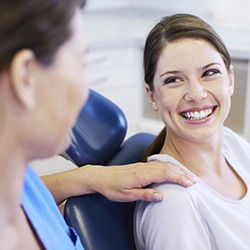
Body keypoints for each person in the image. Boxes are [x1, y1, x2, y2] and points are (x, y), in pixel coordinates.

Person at [0, 1, 197, 249]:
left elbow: (30, 193)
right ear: (25, 77)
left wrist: (89, 177)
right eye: (80, 65)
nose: (86, 94)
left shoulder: (18, 178)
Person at [134, 13, 250, 250]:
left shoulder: (232, 144)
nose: (196, 94)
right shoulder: (173, 204)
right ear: (152, 96)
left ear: (230, 79)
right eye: (174, 80)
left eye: (209, 73)